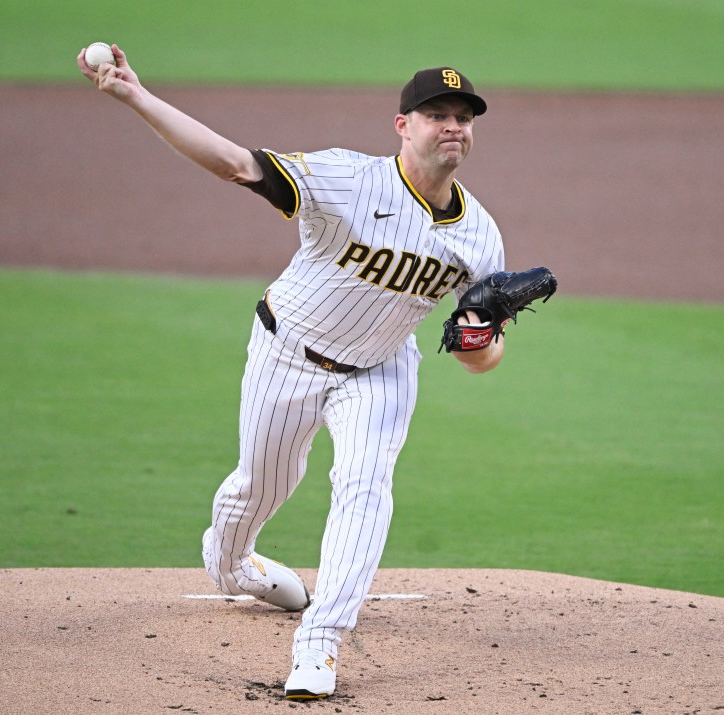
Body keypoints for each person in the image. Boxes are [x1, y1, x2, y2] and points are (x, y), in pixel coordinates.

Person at [77, 46, 506, 700]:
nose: (453, 125)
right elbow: (234, 164)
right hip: (289, 351)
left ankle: (320, 642)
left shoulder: (480, 237)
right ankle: (232, 564)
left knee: (365, 485)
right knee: (261, 485)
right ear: (403, 125)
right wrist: (135, 95)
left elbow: (479, 358)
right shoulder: (346, 178)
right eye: (437, 114)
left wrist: (480, 335)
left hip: (381, 371)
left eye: (464, 117)